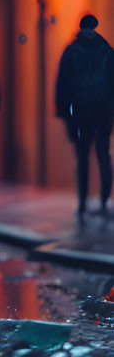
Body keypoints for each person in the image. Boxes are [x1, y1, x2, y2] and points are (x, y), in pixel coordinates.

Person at [55, 14, 114, 218]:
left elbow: (62, 85)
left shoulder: (71, 51)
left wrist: (65, 113)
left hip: (80, 114)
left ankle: (82, 203)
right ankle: (104, 202)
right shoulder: (107, 51)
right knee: (103, 155)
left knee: (83, 158)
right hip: (103, 113)